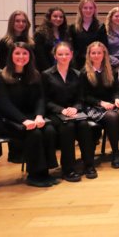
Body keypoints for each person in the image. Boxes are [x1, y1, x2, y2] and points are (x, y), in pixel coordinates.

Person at [0, 42, 58, 187]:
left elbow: (41, 98)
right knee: (34, 134)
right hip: (7, 119)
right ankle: (34, 175)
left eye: (24, 53)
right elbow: (4, 104)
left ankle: (45, 171)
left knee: (49, 129)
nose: (21, 56)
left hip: (30, 117)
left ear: (30, 56)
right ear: (11, 56)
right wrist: (23, 120)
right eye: (17, 53)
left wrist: (39, 115)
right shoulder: (0, 78)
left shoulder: (35, 75)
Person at [42, 42, 96, 182]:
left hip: (73, 112)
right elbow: (45, 100)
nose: (64, 57)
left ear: (71, 55)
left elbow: (80, 97)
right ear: (55, 56)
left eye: (67, 54)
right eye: (60, 54)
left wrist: (75, 108)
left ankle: (89, 165)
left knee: (84, 125)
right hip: (55, 113)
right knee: (68, 127)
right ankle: (68, 169)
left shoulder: (78, 74)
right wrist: (62, 110)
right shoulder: (47, 75)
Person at [81, 42, 119, 168]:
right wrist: (100, 103)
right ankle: (115, 153)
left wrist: (116, 99)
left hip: (110, 104)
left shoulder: (110, 70)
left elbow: (115, 90)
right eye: (93, 53)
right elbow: (84, 96)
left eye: (99, 53)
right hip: (92, 106)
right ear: (89, 55)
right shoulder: (84, 72)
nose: (96, 55)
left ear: (104, 54)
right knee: (112, 117)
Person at [68, 0, 107, 69]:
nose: (88, 10)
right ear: (80, 9)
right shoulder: (73, 28)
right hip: (78, 65)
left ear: (94, 9)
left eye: (91, 8)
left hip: (96, 63)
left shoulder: (101, 27)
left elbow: (104, 48)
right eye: (85, 8)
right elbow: (71, 48)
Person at [34, 6, 70, 72]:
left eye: (61, 17)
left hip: (64, 70)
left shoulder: (66, 33)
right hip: (47, 71)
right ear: (49, 18)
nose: (58, 19)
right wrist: (49, 72)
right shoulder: (40, 34)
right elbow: (40, 57)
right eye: (55, 16)